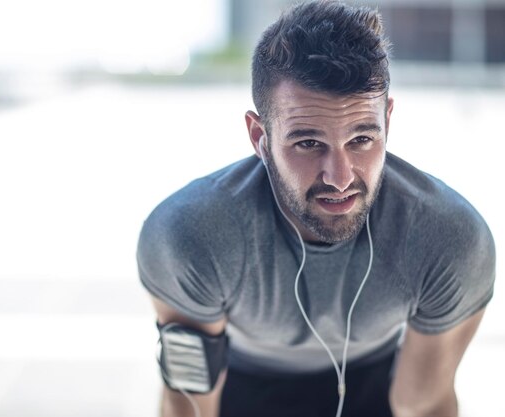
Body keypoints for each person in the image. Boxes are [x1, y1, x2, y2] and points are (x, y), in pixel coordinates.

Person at [136, 1, 496, 416]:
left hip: (376, 383)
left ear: (388, 122)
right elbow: (189, 404)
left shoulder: (449, 241)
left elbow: (426, 403)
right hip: (243, 385)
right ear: (260, 136)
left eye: (362, 139)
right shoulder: (191, 236)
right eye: (308, 143)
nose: (340, 178)